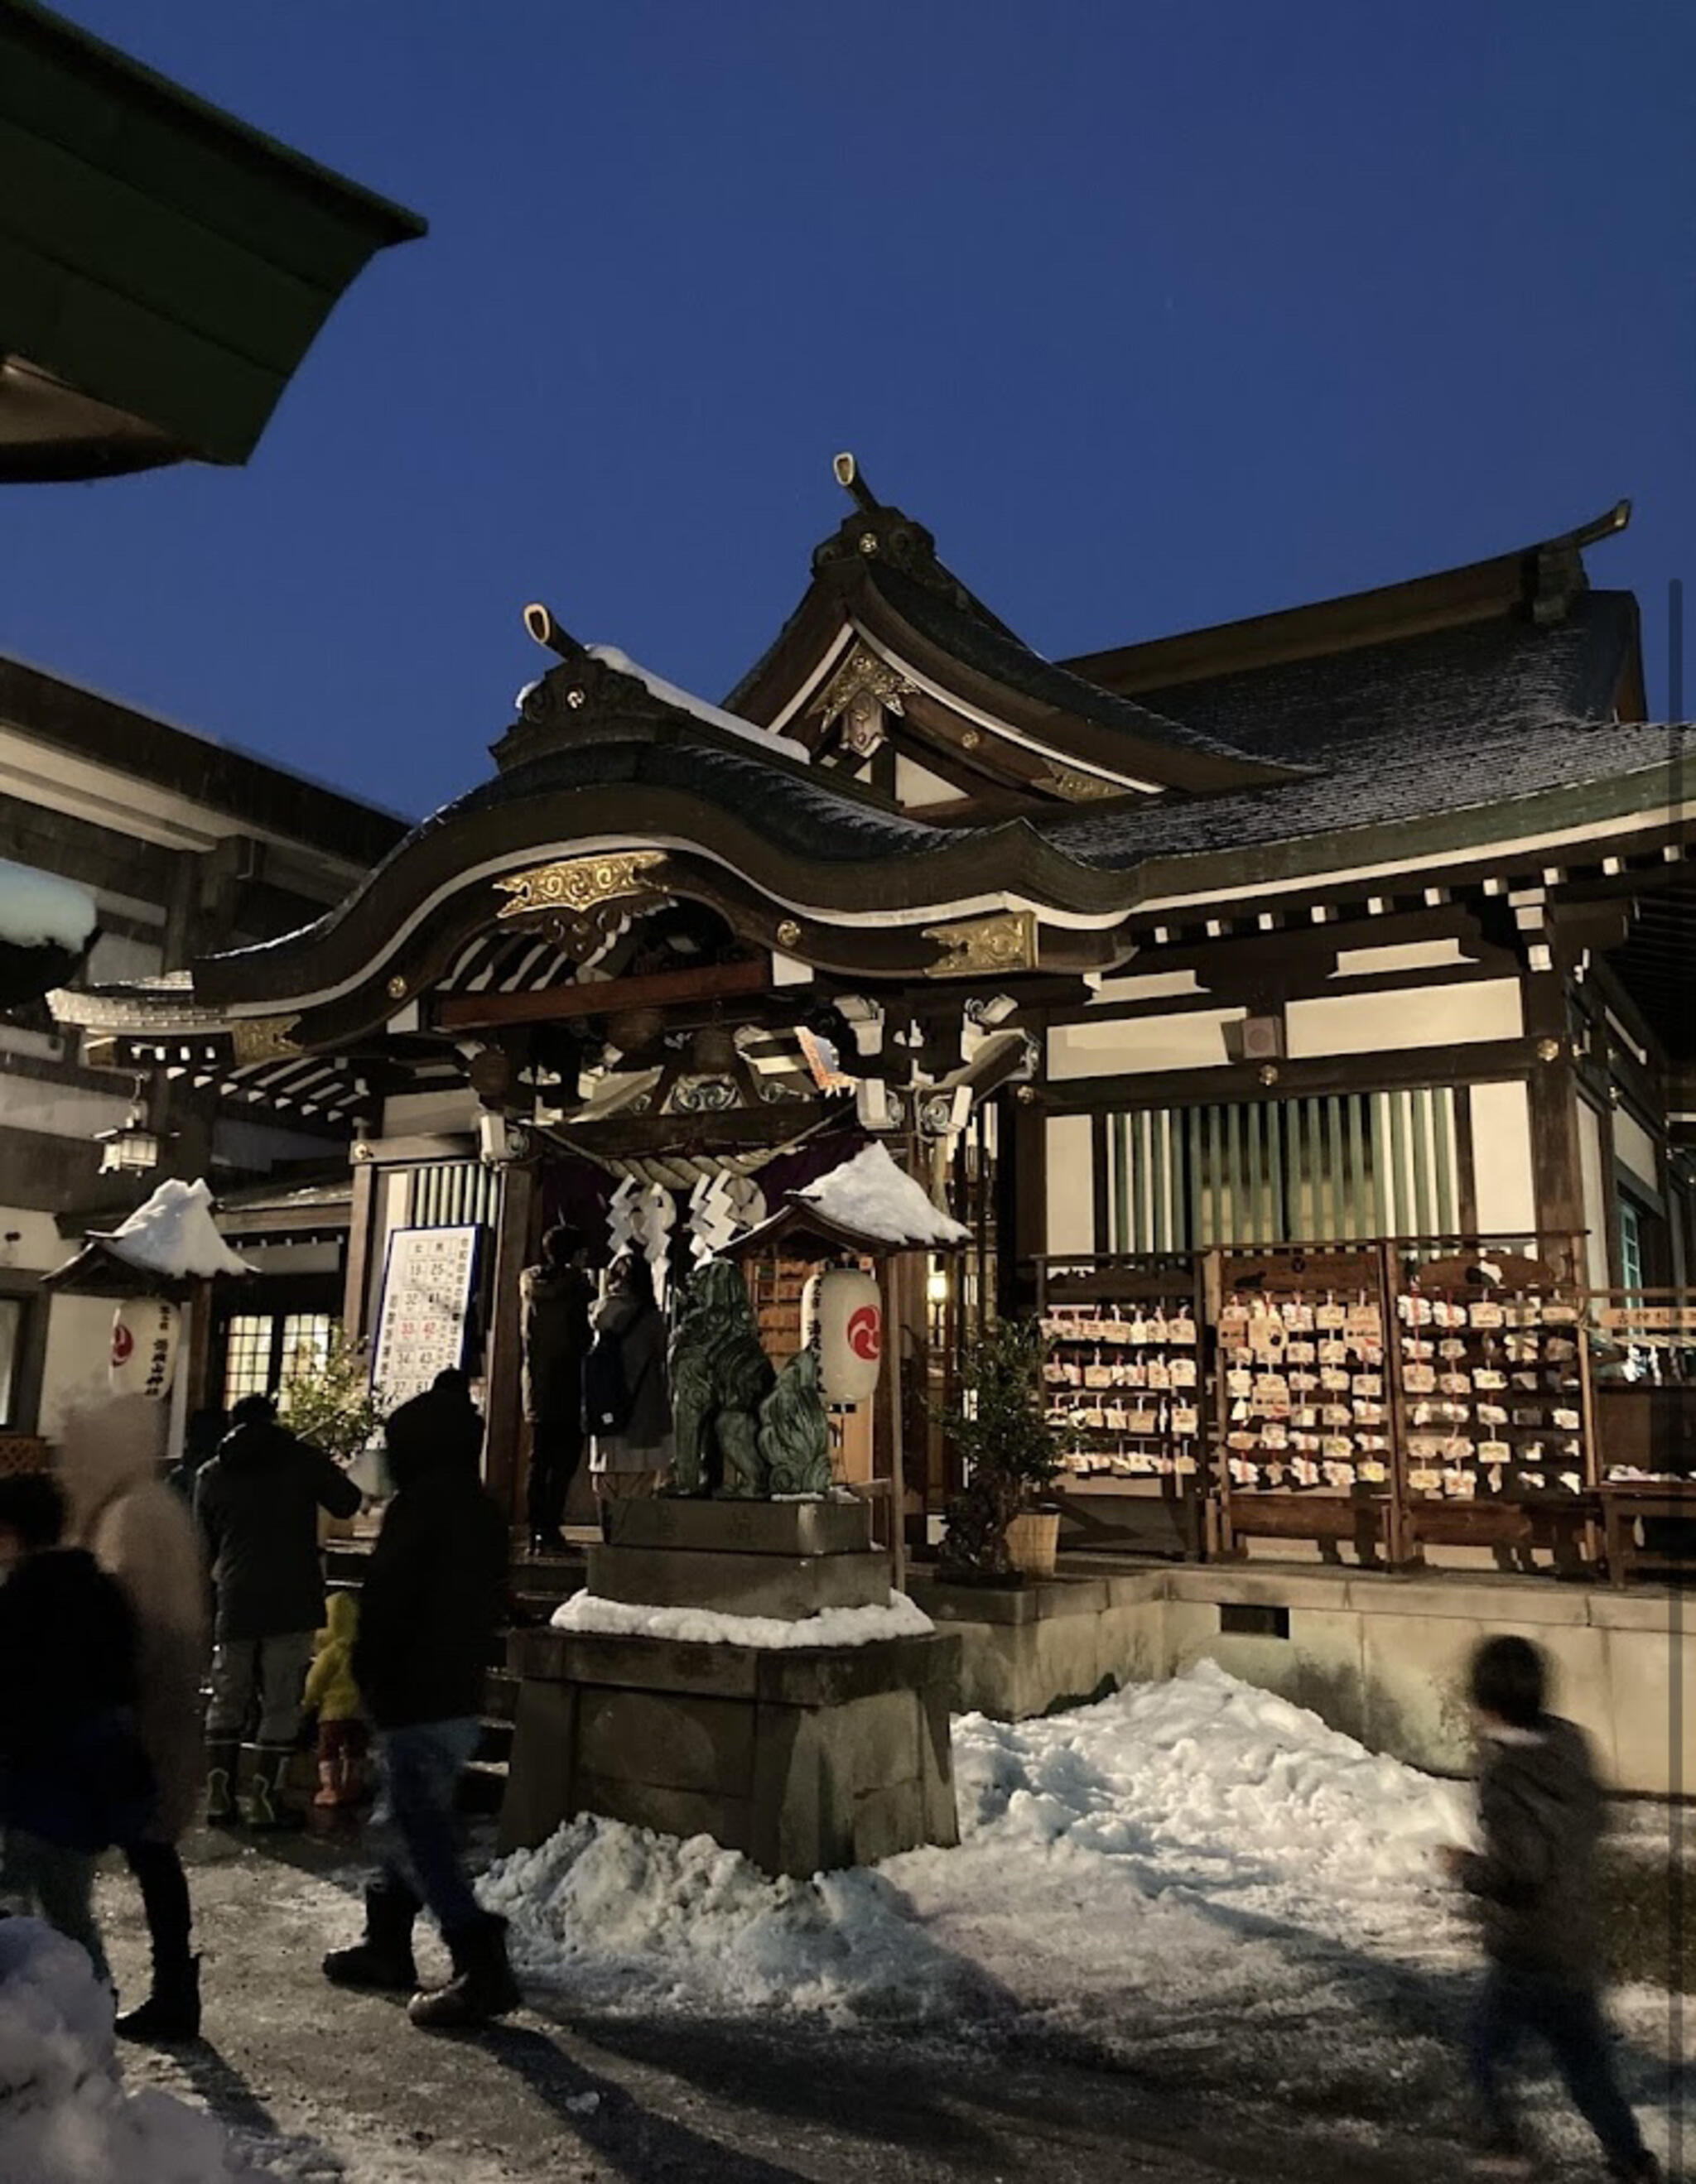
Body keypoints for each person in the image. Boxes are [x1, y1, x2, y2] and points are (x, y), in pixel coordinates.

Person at [322, 1368, 516, 2029]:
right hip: (455, 1686)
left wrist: (368, 1675)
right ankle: (387, 1943)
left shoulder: (421, 1507)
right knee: (408, 1816)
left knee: (419, 1828)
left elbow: (391, 1601)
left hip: (416, 1689)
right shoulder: (479, 1506)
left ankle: (479, 1957)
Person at [1443, 1634, 1659, 2182]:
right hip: (1576, 1941)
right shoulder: (1570, 1746)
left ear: (1486, 1702)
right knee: (1588, 2070)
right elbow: (1593, 1822)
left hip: (1527, 1951)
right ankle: (1632, 2161)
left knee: (1484, 2051)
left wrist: (1464, 1866)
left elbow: (1521, 1871)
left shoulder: (1508, 1780)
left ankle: (1505, 2145)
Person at [58, 1395, 210, 2042]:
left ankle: (146, 1989)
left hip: (146, 1711)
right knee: (151, 1854)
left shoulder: (129, 1514)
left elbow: (123, 1621)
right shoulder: (155, 1505)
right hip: (165, 1705)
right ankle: (171, 1985)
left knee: (131, 1852)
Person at [0, 1469, 146, 1989]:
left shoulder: (22, 1595)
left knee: (16, 1901)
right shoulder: (102, 1589)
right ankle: (92, 2007)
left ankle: (41, 2025)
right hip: (94, 1775)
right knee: (69, 1907)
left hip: (35, 1776)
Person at [194, 1391, 361, 1829]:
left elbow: (203, 1541)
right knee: (282, 1699)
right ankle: (267, 1802)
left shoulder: (212, 1473)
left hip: (234, 1596)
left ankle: (219, 1798)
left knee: (228, 1696)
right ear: (273, 1420)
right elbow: (347, 1500)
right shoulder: (300, 1460)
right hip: (291, 1596)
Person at [519, 1224, 594, 1554]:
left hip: (537, 1383)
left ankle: (536, 1529)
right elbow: (582, 1340)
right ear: (575, 1255)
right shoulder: (576, 1289)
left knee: (539, 1461)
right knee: (563, 1463)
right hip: (568, 1383)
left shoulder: (531, 1285)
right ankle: (550, 1530)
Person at [586, 1251, 673, 1504]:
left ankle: (610, 1528)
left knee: (606, 1473)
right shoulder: (650, 1318)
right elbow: (661, 1353)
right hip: (642, 1402)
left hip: (605, 1403)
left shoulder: (599, 1314)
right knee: (641, 1475)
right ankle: (631, 1530)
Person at [303, 1591, 368, 1812]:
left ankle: (331, 1787)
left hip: (332, 1714)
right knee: (355, 1750)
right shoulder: (361, 1652)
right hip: (359, 1712)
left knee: (328, 1750)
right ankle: (353, 1783)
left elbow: (316, 1681)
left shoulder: (331, 1654)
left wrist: (307, 1703)